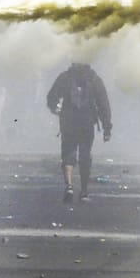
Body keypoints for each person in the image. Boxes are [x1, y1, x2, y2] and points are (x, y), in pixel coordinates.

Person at [46, 62, 112, 203]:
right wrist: (107, 127)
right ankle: (84, 192)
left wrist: (55, 109)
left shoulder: (65, 77)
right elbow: (103, 104)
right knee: (85, 156)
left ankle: (69, 186)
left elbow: (52, 97)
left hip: (68, 121)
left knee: (68, 154)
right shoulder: (94, 79)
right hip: (87, 123)